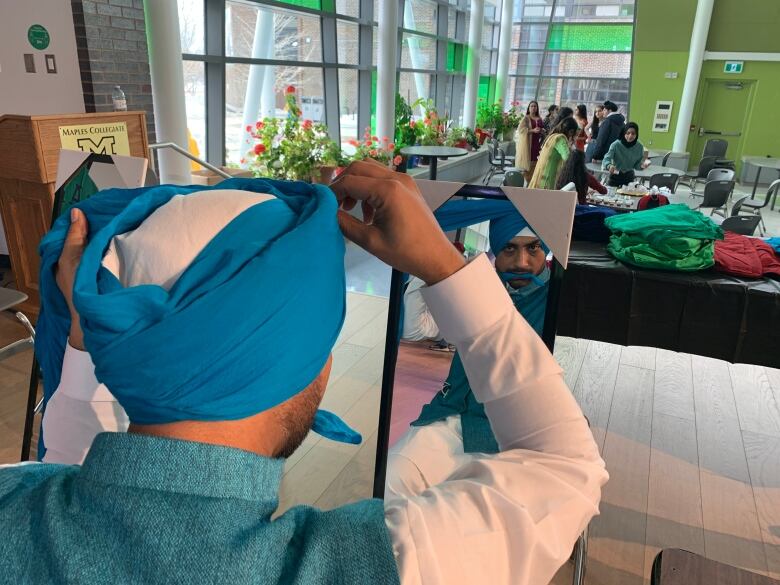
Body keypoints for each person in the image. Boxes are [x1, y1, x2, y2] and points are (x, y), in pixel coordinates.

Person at [0, 164, 607, 585]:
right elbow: (567, 467)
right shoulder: (381, 565)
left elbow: (66, 480)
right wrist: (447, 268)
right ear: (308, 364)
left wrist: (84, 350)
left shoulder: (13, 502)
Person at [402, 208, 553, 455]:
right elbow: (415, 329)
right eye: (509, 248)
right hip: (450, 411)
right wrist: (434, 271)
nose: (521, 262)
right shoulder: (478, 287)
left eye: (533, 248)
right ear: (496, 251)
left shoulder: (561, 300)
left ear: (545, 248)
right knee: (397, 474)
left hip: (519, 428)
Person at [528, 116, 578, 190]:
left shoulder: (553, 136)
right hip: (548, 177)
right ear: (571, 131)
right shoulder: (560, 139)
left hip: (543, 174)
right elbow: (568, 158)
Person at [602, 121, 648, 187]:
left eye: (633, 133)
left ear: (636, 134)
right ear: (624, 133)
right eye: (628, 133)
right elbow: (606, 159)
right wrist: (609, 165)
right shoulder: (616, 145)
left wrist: (642, 166)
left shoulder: (639, 146)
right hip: (615, 176)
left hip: (629, 177)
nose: (630, 136)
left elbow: (637, 165)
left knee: (629, 196)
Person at [515, 100, 544, 185]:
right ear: (529, 108)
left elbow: (542, 128)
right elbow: (521, 130)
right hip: (528, 143)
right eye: (531, 106)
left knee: (535, 160)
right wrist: (532, 130)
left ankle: (533, 181)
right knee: (529, 160)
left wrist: (541, 130)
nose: (533, 108)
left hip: (537, 142)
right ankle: (527, 180)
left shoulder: (539, 118)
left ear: (537, 108)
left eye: (535, 106)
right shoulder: (526, 118)